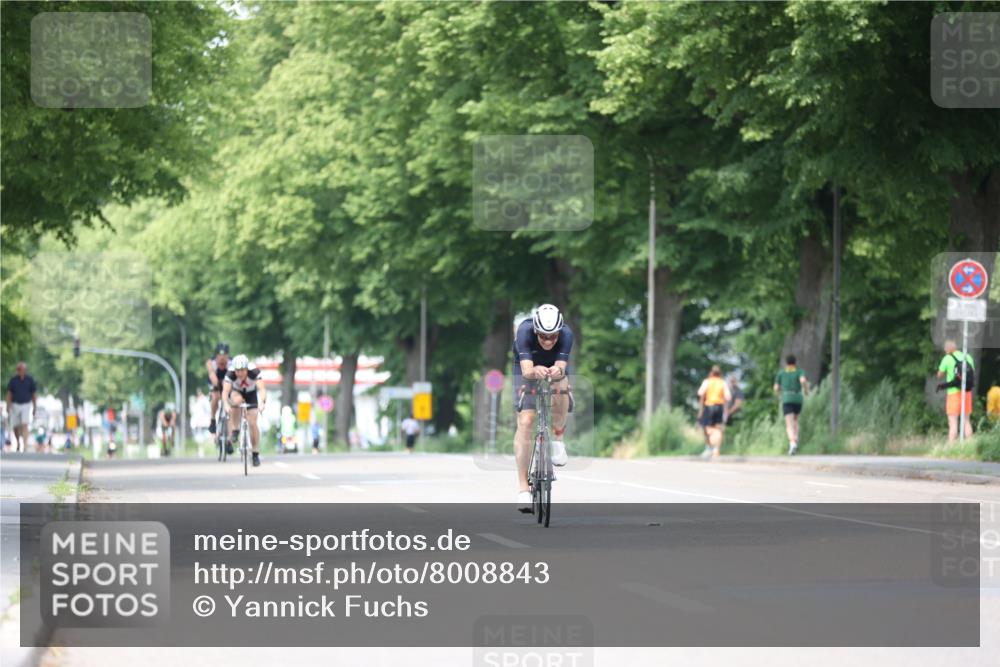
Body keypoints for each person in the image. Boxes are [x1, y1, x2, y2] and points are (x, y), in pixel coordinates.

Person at [512, 304, 574, 513]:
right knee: (526, 420)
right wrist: (535, 369)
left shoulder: (566, 334)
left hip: (554, 369)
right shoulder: (524, 332)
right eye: (543, 336)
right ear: (536, 331)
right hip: (525, 370)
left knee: (561, 386)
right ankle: (523, 489)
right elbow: (527, 370)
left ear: (559, 332)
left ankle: (557, 439)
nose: (548, 341)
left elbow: (561, 368)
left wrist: (556, 371)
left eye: (553, 337)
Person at [221, 354, 267, 466]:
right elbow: (225, 392)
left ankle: (255, 453)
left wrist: (262, 403)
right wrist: (226, 404)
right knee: (237, 401)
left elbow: (262, 389)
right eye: (237, 371)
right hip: (237, 392)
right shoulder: (230, 374)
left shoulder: (254, 372)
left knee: (252, 422)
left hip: (251, 394)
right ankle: (235, 429)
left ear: (247, 368)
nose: (239, 374)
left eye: (242, 371)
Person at [936, 339, 974, 441]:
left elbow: (939, 374)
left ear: (947, 349)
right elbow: (972, 372)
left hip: (953, 393)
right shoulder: (968, 357)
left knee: (953, 421)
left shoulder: (947, 358)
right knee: (966, 420)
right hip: (967, 392)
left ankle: (951, 447)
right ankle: (969, 446)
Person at [773, 354, 808, 455]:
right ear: (795, 362)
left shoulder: (782, 372)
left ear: (786, 362)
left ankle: (792, 443)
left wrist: (779, 395)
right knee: (796, 420)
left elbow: (775, 388)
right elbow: (803, 380)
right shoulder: (799, 371)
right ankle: (795, 440)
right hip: (798, 399)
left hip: (787, 398)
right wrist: (805, 390)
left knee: (789, 423)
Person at [697, 366, 732, 460]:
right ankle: (716, 449)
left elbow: (700, 393)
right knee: (718, 428)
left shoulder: (707, 381)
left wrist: (700, 409)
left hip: (709, 406)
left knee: (707, 428)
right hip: (719, 407)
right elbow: (728, 397)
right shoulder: (723, 382)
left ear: (711, 372)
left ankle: (709, 447)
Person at [5, 362, 37, 453]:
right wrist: (8, 405)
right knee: (15, 426)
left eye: (21, 369)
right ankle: (18, 442)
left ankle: (25, 445)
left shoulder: (30, 380)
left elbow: (34, 394)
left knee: (25, 424)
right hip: (15, 404)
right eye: (18, 369)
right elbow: (9, 394)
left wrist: (35, 407)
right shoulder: (13, 380)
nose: (19, 371)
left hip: (26, 404)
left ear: (24, 370)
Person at [206, 343, 230, 435]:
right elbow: (212, 375)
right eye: (220, 355)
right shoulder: (211, 363)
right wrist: (218, 384)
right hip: (215, 383)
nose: (222, 358)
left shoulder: (231, 362)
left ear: (227, 355)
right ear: (216, 355)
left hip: (227, 383)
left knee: (231, 399)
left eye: (224, 355)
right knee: (215, 396)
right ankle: (213, 419)